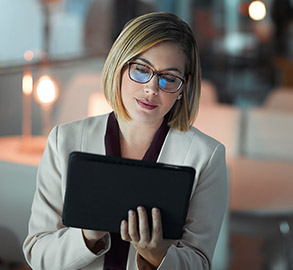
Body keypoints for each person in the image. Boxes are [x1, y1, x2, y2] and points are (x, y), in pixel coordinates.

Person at [23, 12, 228, 270]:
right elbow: (38, 254)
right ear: (119, 67)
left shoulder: (206, 157)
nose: (152, 88)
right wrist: (87, 236)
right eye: (141, 70)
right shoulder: (64, 140)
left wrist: (158, 255)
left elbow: (199, 263)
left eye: (169, 78)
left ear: (183, 88)